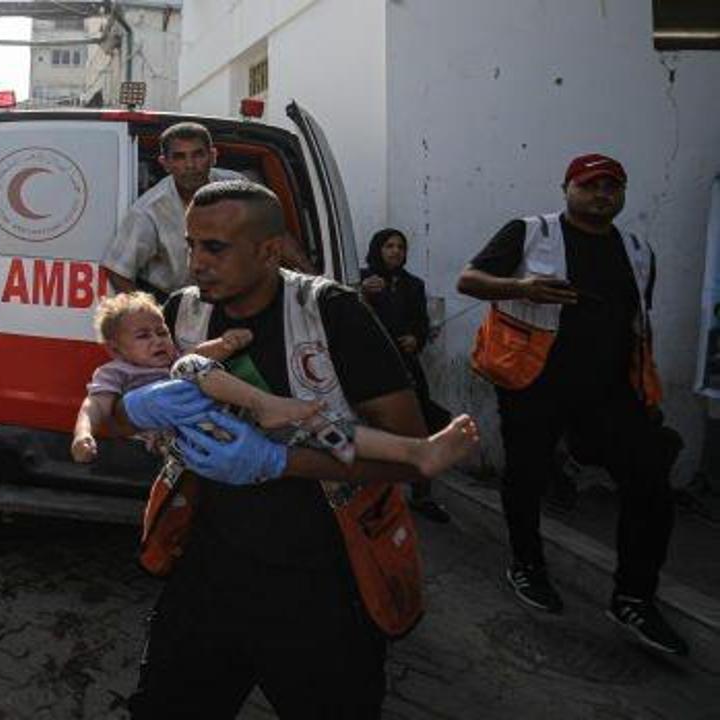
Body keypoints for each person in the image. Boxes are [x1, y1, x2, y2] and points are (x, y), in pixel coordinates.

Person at [119, 180, 442, 718]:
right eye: (191, 244)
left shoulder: (332, 314)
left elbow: (411, 454)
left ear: (268, 250)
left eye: (214, 247)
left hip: (321, 584)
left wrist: (279, 461)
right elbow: (118, 408)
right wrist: (141, 410)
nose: (195, 262)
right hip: (207, 574)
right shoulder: (182, 312)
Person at [457, 153, 687, 656]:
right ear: (567, 188)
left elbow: (637, 324)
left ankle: (633, 597)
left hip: (609, 392)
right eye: (591, 185)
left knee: (650, 480)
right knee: (526, 476)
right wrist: (521, 287)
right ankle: (527, 564)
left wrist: (645, 394)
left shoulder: (637, 249)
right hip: (532, 381)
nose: (602, 193)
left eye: (613, 186)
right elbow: (468, 279)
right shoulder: (530, 232)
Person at [71, 291, 479, 478]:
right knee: (192, 365)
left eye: (161, 331)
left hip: (238, 422)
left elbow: (202, 360)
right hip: (197, 441)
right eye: (144, 337)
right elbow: (94, 408)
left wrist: (224, 344)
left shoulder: (177, 360)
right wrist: (85, 435)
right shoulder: (119, 375)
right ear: (115, 348)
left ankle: (417, 452)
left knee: (324, 426)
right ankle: (269, 405)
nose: (159, 341)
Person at [361, 229, 455, 523]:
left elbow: (421, 323)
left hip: (406, 365)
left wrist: (416, 338)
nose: (395, 251)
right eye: (389, 246)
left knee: (421, 425)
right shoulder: (362, 280)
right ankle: (373, 496)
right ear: (378, 249)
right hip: (371, 366)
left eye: (401, 247)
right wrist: (363, 293)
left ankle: (422, 494)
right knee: (373, 429)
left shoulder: (414, 285)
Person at [101, 122, 243, 300]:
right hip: (178, 301)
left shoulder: (238, 187)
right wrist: (155, 318)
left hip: (236, 297)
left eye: (198, 155)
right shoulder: (149, 211)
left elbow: (273, 232)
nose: (190, 165)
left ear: (213, 156)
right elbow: (118, 272)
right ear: (165, 164)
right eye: (179, 157)